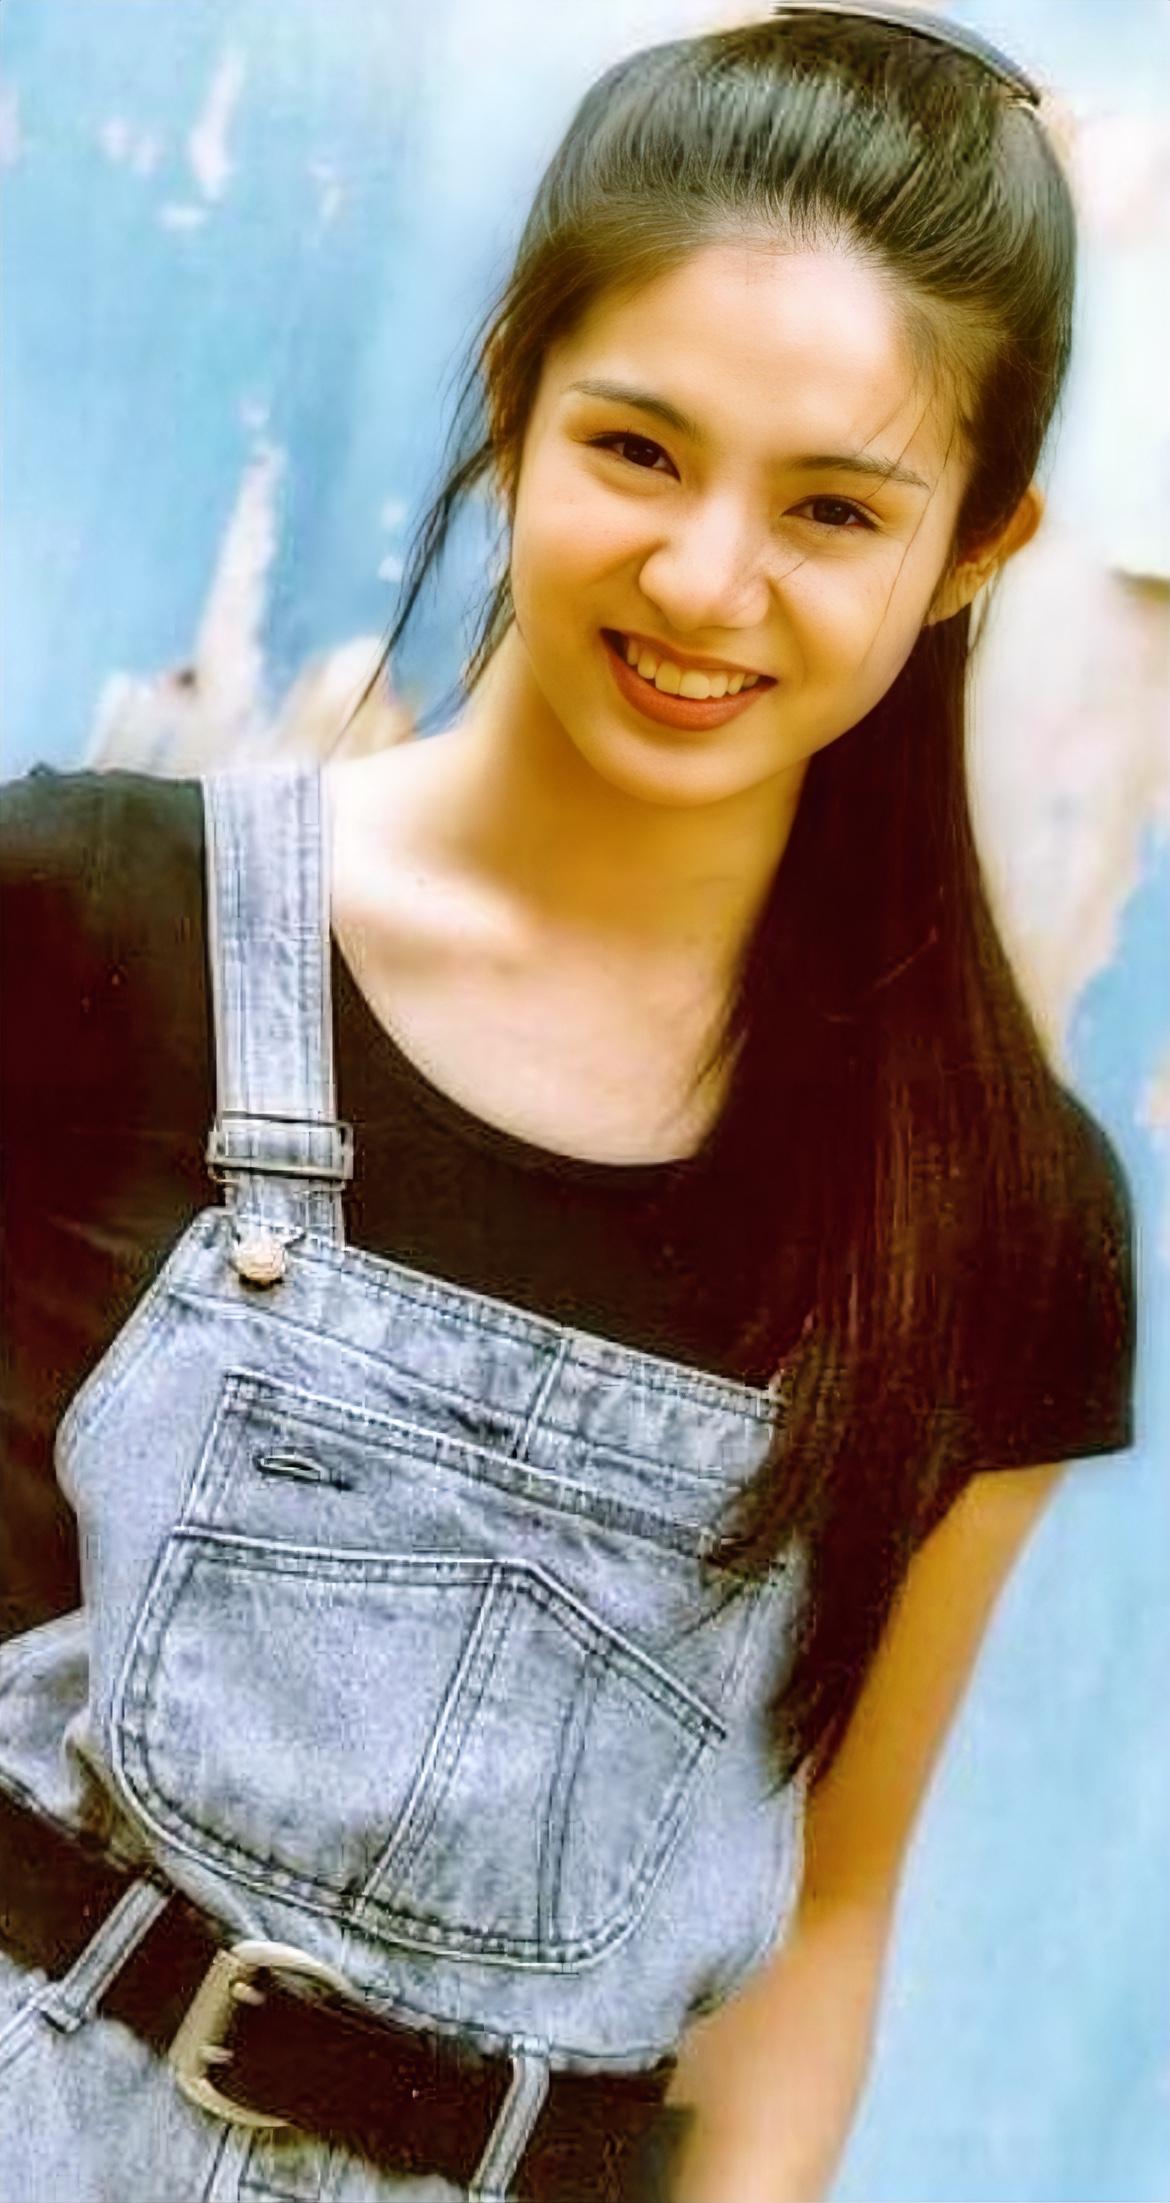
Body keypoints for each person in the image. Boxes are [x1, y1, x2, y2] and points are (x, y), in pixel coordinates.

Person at [0, 5, 1138, 2200]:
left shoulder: (996, 1225)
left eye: (833, 506)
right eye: (638, 448)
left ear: (974, 548)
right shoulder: (80, 922)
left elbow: (821, 1933)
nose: (706, 579)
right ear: (516, 395)